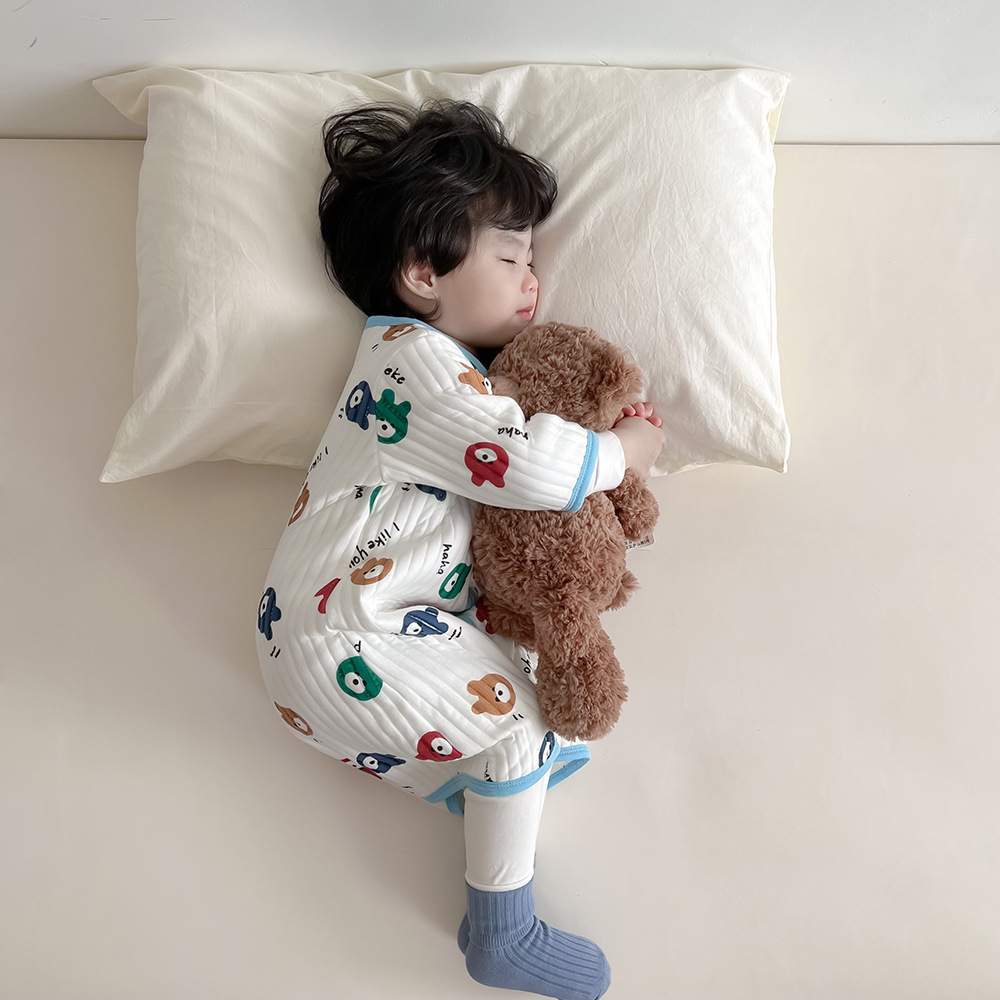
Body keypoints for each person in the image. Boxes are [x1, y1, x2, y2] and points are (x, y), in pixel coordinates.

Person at [255, 100, 664, 1000]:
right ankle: (502, 935)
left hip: (348, 633)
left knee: (519, 741)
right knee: (518, 727)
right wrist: (621, 454)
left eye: (535, 259)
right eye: (511, 256)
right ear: (420, 272)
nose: (534, 280)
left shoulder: (450, 373)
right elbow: (524, 466)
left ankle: (495, 869)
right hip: (351, 629)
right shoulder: (412, 363)